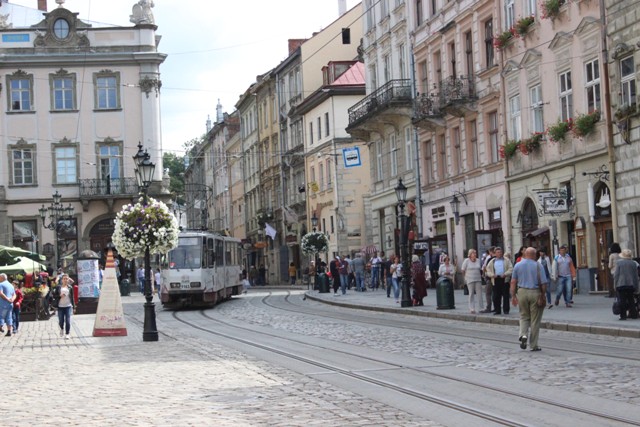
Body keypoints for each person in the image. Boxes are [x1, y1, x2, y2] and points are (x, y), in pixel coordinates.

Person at [510, 247, 548, 351]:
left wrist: (513, 296)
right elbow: (544, 283)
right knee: (535, 320)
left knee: (523, 316)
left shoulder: (518, 265)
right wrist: (543, 295)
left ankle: (523, 335)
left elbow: (513, 282)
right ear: (534, 255)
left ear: (526, 254)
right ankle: (533, 345)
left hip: (521, 292)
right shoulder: (538, 265)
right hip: (535, 292)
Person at [485, 247, 514, 315]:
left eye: (500, 252)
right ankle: (497, 310)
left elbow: (511, 269)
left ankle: (506, 310)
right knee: (496, 296)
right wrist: (492, 275)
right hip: (495, 279)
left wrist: (505, 274)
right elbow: (487, 270)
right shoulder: (492, 261)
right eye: (498, 252)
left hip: (504, 279)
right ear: (495, 253)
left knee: (505, 295)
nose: (499, 254)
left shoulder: (506, 260)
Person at [613, 249, 639, 320]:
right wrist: (637, 287)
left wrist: (615, 285)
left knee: (622, 300)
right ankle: (634, 314)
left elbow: (616, 275)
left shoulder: (619, 263)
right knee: (631, 300)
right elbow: (635, 276)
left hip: (621, 284)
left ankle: (623, 316)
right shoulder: (633, 263)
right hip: (631, 284)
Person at [53, 274, 75, 339]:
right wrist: (59, 296)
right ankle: (61, 329)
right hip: (60, 306)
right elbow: (54, 296)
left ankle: (67, 333)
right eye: (64, 279)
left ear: (68, 280)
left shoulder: (70, 287)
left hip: (68, 306)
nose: (65, 280)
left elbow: (72, 298)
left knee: (68, 321)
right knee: (61, 321)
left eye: (66, 279)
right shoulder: (58, 287)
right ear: (62, 280)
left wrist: (74, 307)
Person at [461, 249, 483, 314]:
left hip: (478, 279)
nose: (475, 255)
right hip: (470, 279)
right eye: (473, 253)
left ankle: (481, 308)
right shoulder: (466, 261)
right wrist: (465, 277)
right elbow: (463, 270)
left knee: (479, 294)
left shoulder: (478, 260)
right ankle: (472, 308)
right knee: (471, 294)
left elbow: (480, 269)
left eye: (475, 253)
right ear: (470, 254)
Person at [480, 247, 495, 313]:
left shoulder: (489, 259)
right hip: (498, 278)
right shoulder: (500, 259)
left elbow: (485, 267)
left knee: (488, 293)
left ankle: (488, 307)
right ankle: (496, 307)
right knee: (495, 293)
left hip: (490, 278)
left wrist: (484, 274)